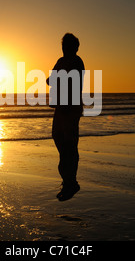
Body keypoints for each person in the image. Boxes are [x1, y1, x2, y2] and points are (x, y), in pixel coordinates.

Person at [46, 33, 85, 201]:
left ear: (75, 47)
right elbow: (50, 79)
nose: (65, 49)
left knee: (69, 142)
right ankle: (68, 179)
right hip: (60, 106)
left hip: (72, 106)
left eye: (68, 46)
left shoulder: (77, 61)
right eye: (63, 46)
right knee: (58, 137)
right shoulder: (60, 61)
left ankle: (71, 182)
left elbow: (72, 81)